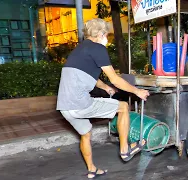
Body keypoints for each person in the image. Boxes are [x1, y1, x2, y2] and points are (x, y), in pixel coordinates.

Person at [56, 18, 150, 179]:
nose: (107, 37)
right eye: (106, 34)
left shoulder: (79, 50)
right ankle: (125, 150)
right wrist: (137, 91)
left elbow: (88, 75)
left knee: (85, 133)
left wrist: (105, 87)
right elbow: (115, 79)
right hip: (80, 103)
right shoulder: (98, 48)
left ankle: (92, 169)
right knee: (123, 107)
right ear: (100, 34)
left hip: (65, 107)